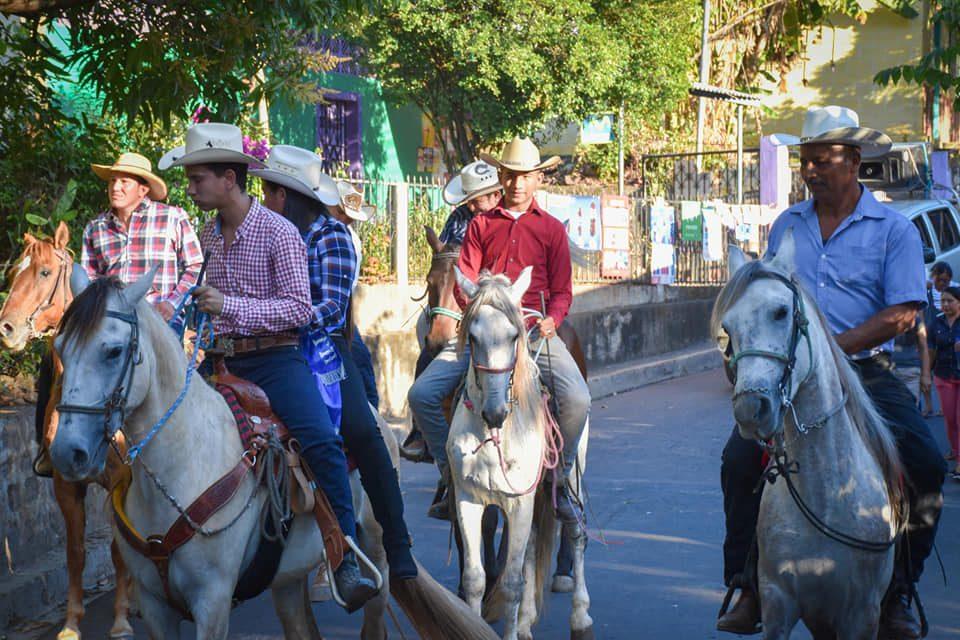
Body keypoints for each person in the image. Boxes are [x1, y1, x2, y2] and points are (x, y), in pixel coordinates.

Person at [717, 106, 946, 638]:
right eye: (806, 161)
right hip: (797, 376)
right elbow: (769, 293)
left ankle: (898, 590)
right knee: (738, 459)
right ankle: (748, 585)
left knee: (926, 463)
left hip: (865, 371)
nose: (811, 170)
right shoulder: (787, 225)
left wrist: (830, 350)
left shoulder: (893, 230)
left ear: (854, 161)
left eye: (823, 160)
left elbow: (903, 312)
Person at [159, 124, 378, 612]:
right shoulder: (208, 236)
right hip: (223, 360)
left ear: (229, 179)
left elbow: (299, 308)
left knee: (321, 441)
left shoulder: (279, 232)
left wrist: (229, 306)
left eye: (197, 179)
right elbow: (208, 306)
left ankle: (345, 556)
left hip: (278, 359)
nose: (190, 189)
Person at [252, 146, 417, 581]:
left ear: (284, 195)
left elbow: (332, 307)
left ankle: (396, 540)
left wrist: (281, 317)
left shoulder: (331, 236)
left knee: (363, 430)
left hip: (322, 348)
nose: (264, 201)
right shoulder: (264, 234)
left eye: (269, 193)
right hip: (269, 349)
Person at [408, 137, 591, 524]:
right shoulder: (480, 225)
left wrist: (554, 319)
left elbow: (562, 291)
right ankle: (450, 474)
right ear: (501, 178)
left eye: (525, 176)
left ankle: (560, 480)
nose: (517, 184)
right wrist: (478, 308)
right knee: (422, 394)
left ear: (538, 178)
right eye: (510, 175)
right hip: (484, 333)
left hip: (533, 333)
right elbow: (463, 280)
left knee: (578, 399)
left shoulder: (552, 230)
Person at [32, 152, 203, 476]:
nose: (116, 186)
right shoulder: (95, 228)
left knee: (186, 385)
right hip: (109, 328)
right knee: (57, 363)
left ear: (143, 189)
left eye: (124, 181)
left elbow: (195, 265)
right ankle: (48, 448)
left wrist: (172, 302)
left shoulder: (172, 218)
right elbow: (90, 285)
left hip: (162, 325)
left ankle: (192, 455)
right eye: (112, 180)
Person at [400, 160, 502, 466]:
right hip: (456, 295)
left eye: (476, 200)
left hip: (494, 304)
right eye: (468, 200)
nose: (471, 206)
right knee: (426, 334)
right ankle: (421, 432)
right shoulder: (459, 217)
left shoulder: (507, 220)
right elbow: (444, 255)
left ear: (496, 195)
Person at [927, 285, 960, 478]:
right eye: (943, 301)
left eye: (950, 301)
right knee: (950, 419)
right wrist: (926, 374)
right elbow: (930, 350)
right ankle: (956, 452)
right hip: (943, 375)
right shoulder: (936, 323)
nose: (945, 304)